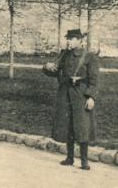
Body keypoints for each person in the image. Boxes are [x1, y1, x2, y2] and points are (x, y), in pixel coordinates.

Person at [42, 29, 99, 171]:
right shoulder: (64, 55)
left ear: (80, 41)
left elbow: (94, 80)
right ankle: (70, 157)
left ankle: (84, 161)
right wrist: (46, 67)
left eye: (72, 38)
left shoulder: (89, 57)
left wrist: (91, 97)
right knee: (68, 125)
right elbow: (55, 71)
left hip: (81, 95)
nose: (69, 41)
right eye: (68, 38)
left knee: (82, 126)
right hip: (65, 94)